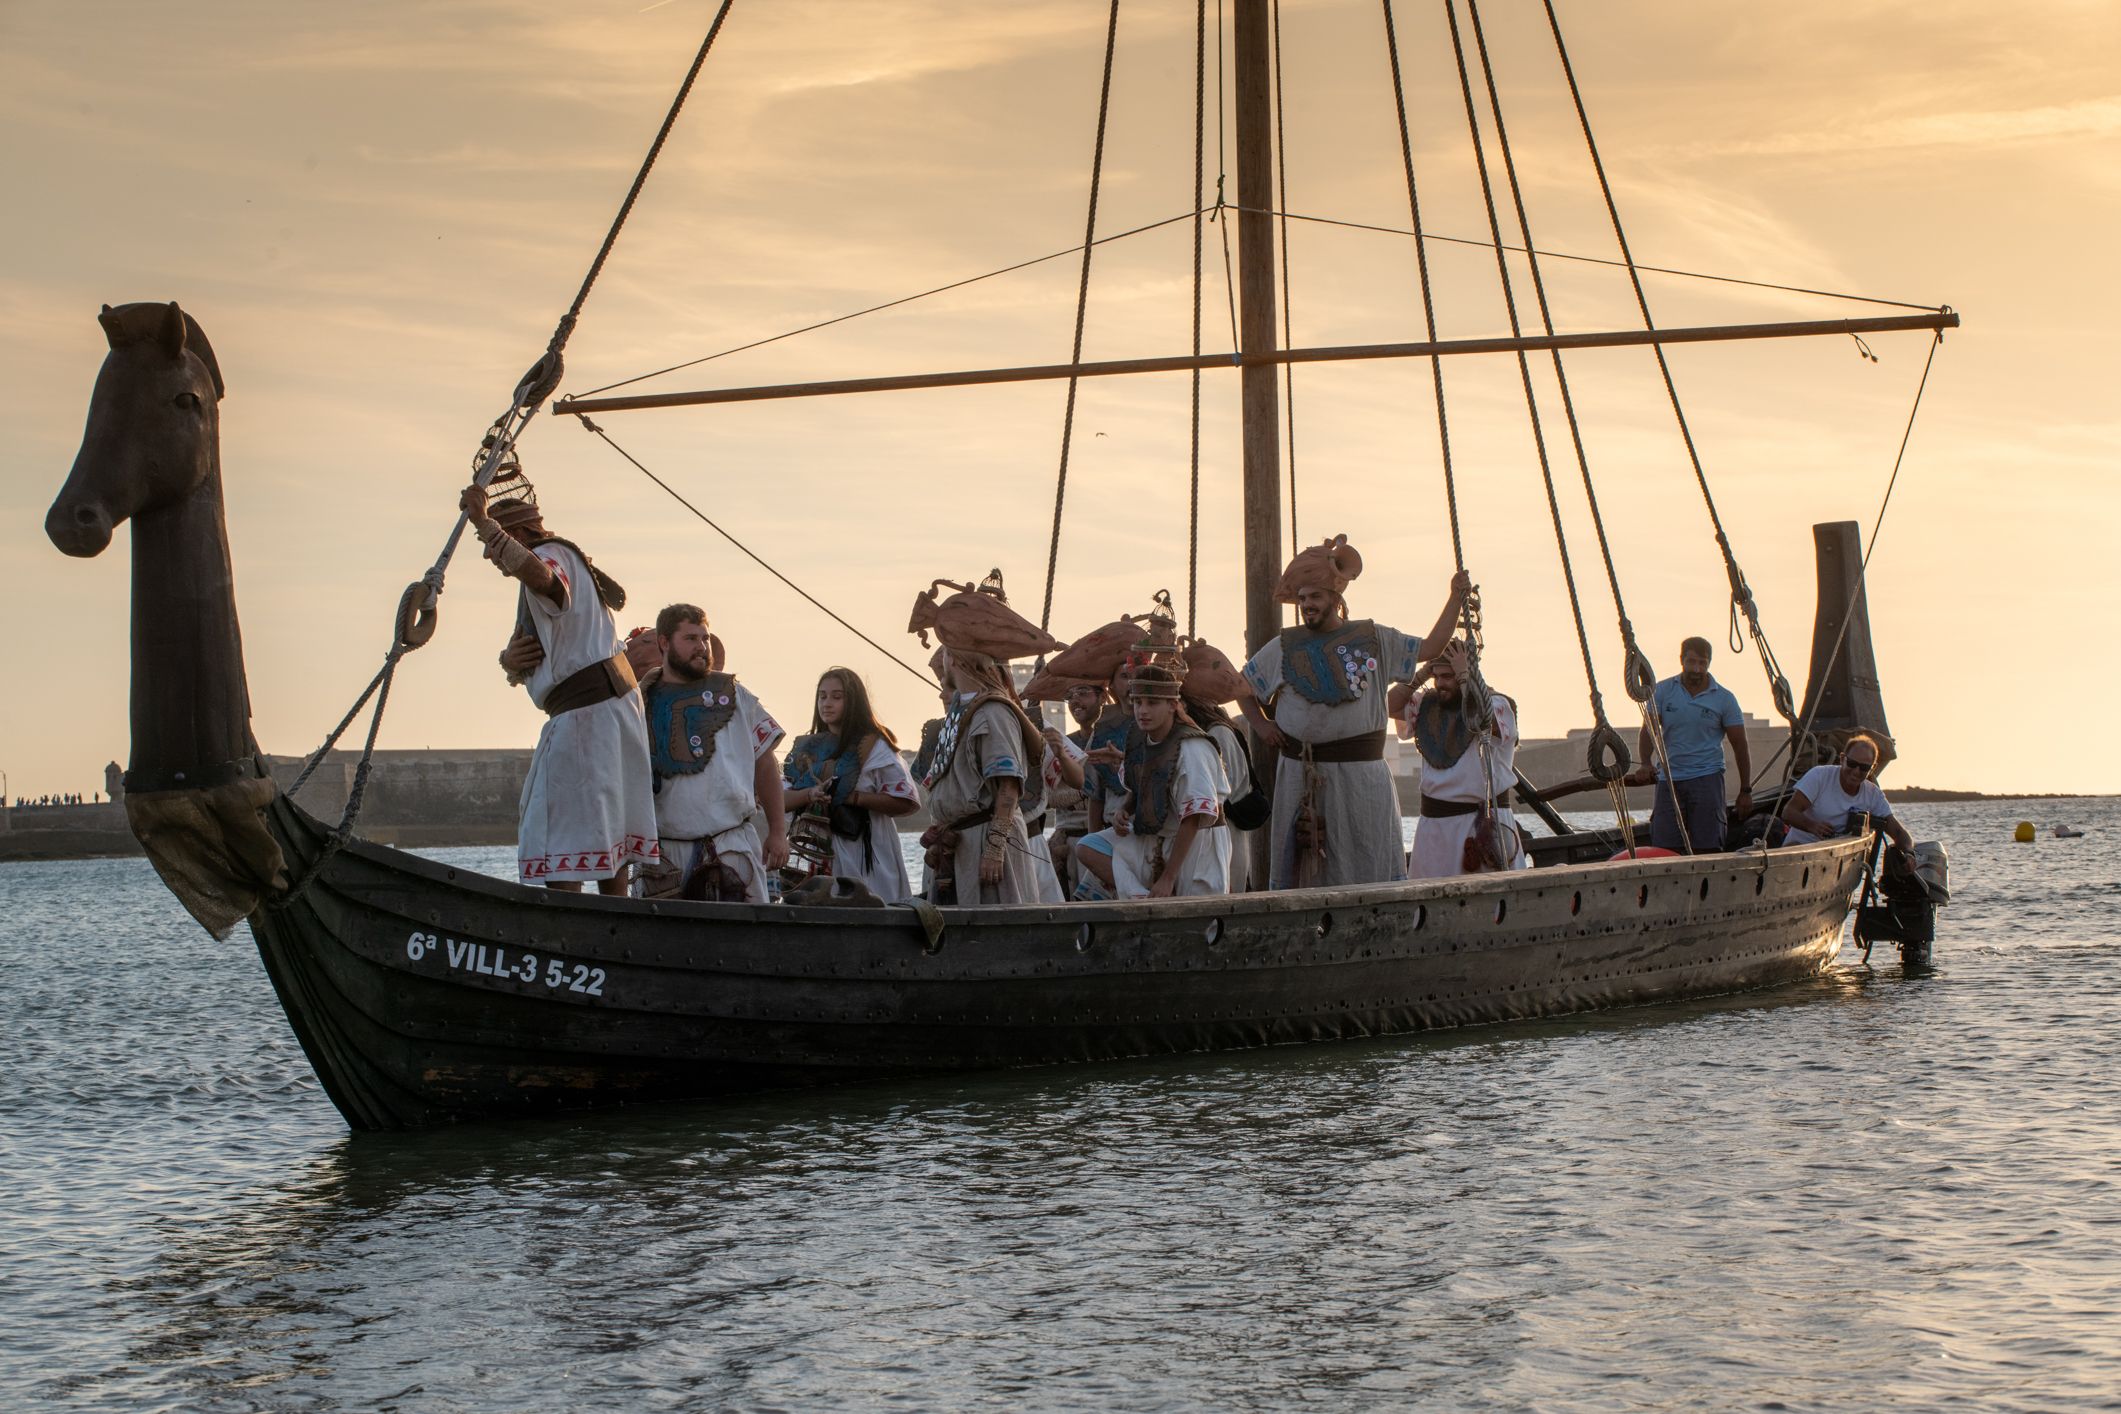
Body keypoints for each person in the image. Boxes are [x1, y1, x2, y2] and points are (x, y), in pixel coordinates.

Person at [461, 464, 656, 894]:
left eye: (496, 547)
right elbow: (547, 651)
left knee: (558, 839)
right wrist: (509, 662)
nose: (491, 558)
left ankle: (574, 925)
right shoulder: (554, 569)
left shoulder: (553, 555)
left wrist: (484, 524)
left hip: (590, 715)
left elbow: (543, 578)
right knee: (604, 832)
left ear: (518, 536)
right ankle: (607, 920)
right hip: (603, 712)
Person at [1238, 535, 1470, 889]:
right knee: (1299, 874)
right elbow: (1243, 687)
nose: (1307, 604)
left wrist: (1455, 598)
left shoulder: (1375, 638)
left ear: (1336, 599)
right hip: (1299, 777)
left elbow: (1431, 647)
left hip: (1362, 779)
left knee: (1367, 862)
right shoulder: (1283, 646)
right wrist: (1261, 725)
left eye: (1315, 596)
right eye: (1302, 598)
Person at [909, 572, 1060, 905]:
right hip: (957, 844)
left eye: (945, 651)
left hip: (984, 845)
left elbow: (1008, 785)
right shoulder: (960, 711)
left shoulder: (992, 712)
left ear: (954, 658)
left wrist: (994, 848)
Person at [639, 603, 788, 902]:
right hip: (665, 857)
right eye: (690, 638)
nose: (701, 646)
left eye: (705, 638)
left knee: (744, 930)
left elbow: (765, 763)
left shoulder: (735, 695)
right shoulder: (639, 703)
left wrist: (777, 832)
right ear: (664, 642)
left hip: (731, 846)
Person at [1074, 664, 1231, 898]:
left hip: (1197, 841)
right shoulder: (1139, 738)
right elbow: (1142, 787)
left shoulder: (1193, 747)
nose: (1143, 711)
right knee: (1089, 847)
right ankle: (1141, 899)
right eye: (1138, 702)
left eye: (1153, 703)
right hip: (1155, 836)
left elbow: (1193, 817)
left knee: (1194, 910)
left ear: (1172, 705)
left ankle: (1153, 900)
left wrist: (1168, 877)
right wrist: (1124, 810)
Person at [781, 667, 921, 903]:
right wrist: (810, 794)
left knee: (874, 908)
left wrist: (853, 797)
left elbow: (906, 802)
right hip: (819, 850)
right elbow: (779, 800)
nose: (827, 703)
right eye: (822, 696)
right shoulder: (806, 750)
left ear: (853, 701)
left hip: (868, 850)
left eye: (837, 697)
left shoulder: (874, 746)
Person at [1398, 640, 1528, 878]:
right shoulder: (1426, 704)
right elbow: (1386, 705)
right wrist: (1421, 674)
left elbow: (1481, 718)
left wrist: (1466, 676)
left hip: (1485, 828)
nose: (1440, 683)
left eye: (1448, 676)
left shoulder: (1499, 704)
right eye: (1437, 677)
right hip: (1435, 830)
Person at [1642, 636, 1752, 854]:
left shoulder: (1724, 699)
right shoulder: (1662, 691)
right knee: (1665, 847)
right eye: (1691, 661)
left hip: (1707, 777)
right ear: (1681, 660)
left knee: (1707, 846)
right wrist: (1646, 762)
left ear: (1709, 663)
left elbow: (1740, 745)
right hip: (1669, 779)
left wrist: (1745, 790)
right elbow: (1648, 731)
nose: (1696, 668)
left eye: (1702, 663)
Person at [1182, 638, 1261, 894]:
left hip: (1224, 832)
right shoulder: (1214, 730)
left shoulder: (1218, 732)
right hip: (1206, 832)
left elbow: (1229, 788)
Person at [1781, 734, 1914, 862]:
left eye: (1864, 767)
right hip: (1800, 850)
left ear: (1872, 768)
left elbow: (1898, 831)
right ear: (1842, 759)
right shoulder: (1819, 776)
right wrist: (1813, 826)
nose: (1856, 771)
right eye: (1851, 763)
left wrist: (1909, 853)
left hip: (1839, 860)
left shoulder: (1873, 795)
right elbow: (1789, 812)